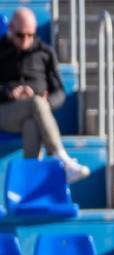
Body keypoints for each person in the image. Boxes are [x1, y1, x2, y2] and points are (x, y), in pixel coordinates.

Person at [0, 8, 88, 182]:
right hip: (5, 111)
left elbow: (59, 93)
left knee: (32, 122)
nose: (26, 40)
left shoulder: (45, 53)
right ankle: (62, 160)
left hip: (35, 111)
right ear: (10, 28)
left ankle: (31, 180)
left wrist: (46, 103)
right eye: (20, 35)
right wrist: (10, 92)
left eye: (30, 35)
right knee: (36, 103)